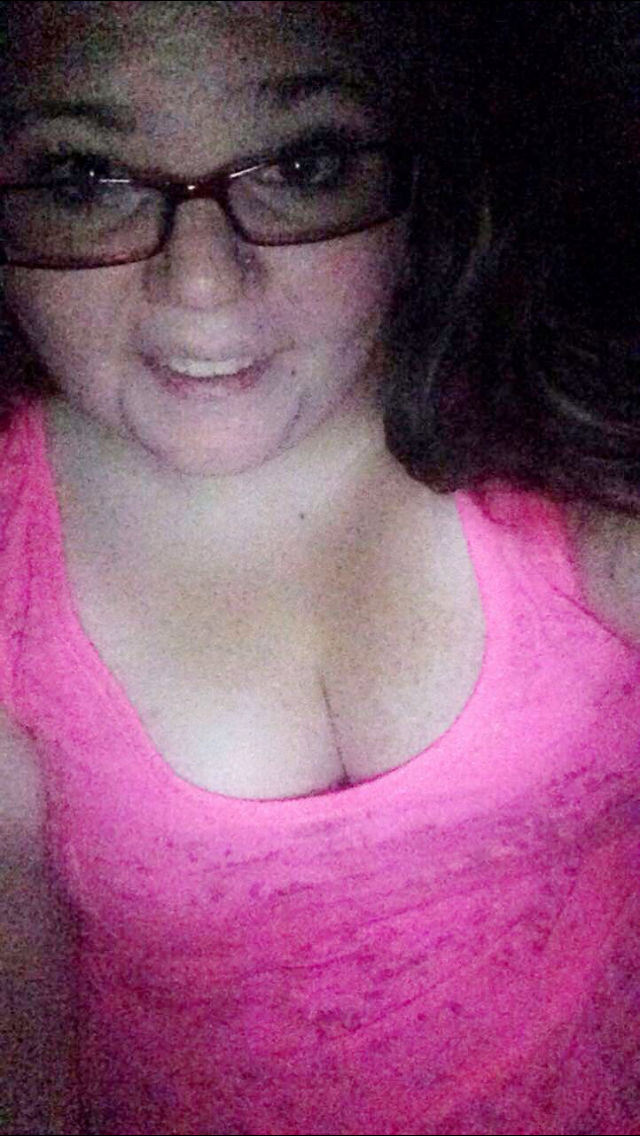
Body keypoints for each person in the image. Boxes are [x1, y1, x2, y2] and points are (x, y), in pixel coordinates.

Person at [1, 2, 638, 1133]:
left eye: (303, 165)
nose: (202, 281)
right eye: (85, 178)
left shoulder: (563, 426)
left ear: (416, 181)